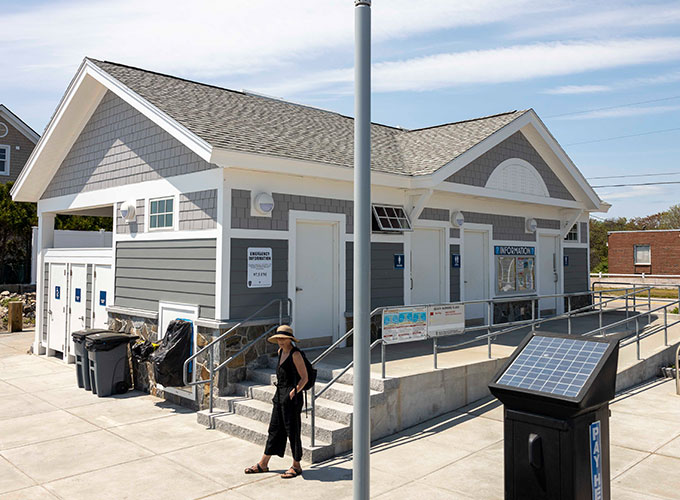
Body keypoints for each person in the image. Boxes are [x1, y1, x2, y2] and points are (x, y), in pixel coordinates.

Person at [244, 325, 308, 479]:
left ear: (289, 339)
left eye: (283, 338)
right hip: (279, 395)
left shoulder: (295, 354)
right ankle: (263, 463)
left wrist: (295, 391)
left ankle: (296, 465)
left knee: (292, 430)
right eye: (278, 338)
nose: (280, 341)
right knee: (274, 429)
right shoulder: (280, 352)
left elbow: (304, 377)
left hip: (292, 397)